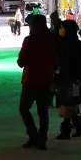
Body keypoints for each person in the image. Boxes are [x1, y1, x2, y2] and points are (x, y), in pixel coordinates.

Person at [17, 14, 57, 150]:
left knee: (24, 108)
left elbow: (22, 60)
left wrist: (22, 61)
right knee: (43, 111)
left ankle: (33, 135)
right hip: (46, 79)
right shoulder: (51, 39)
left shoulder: (30, 40)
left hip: (31, 79)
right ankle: (42, 137)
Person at [55, 19, 81, 140]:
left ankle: (70, 128)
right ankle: (76, 126)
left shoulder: (68, 45)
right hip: (71, 79)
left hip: (70, 79)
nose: (60, 29)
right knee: (70, 103)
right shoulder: (73, 43)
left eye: (62, 27)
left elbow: (80, 63)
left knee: (68, 103)